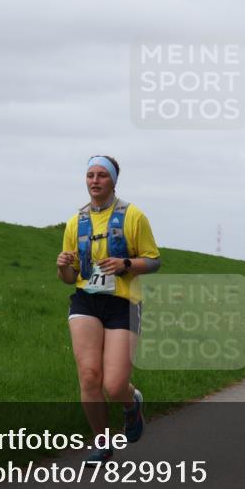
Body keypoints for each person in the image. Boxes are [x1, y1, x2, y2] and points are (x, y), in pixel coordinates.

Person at [57, 156, 161, 464]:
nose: (95, 180)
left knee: (114, 386)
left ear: (113, 181)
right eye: (90, 175)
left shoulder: (133, 216)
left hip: (123, 302)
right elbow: (69, 278)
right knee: (89, 376)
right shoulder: (75, 222)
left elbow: (153, 261)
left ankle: (131, 404)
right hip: (85, 300)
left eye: (102, 175)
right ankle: (101, 443)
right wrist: (62, 266)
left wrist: (125, 263)